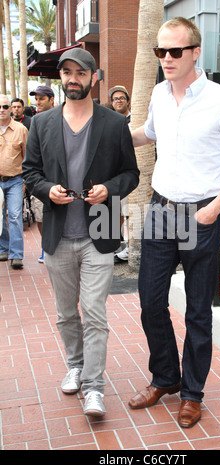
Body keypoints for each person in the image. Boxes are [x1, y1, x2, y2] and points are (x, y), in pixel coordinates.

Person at [128, 17, 220, 428]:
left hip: (202, 215)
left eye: (174, 51)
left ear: (195, 52)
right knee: (150, 303)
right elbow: (147, 134)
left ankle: (192, 393)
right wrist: (102, 130)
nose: (165, 58)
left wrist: (214, 208)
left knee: (198, 312)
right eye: (160, 51)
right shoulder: (158, 95)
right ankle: (165, 377)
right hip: (161, 211)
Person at [22, 48, 139, 417]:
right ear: (62, 78)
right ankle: (74, 365)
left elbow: (131, 174)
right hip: (58, 233)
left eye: (80, 72)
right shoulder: (41, 123)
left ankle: (94, 387)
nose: (73, 78)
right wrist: (46, 190)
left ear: (94, 77)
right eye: (66, 72)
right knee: (65, 313)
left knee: (94, 312)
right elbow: (30, 172)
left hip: (99, 232)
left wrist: (109, 188)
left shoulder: (113, 124)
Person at [0, 95, 28, 269]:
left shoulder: (21, 129)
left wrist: (26, 181)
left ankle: (16, 255)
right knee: (0, 217)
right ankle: (3, 249)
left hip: (15, 180)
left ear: (10, 108)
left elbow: (28, 156)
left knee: (16, 216)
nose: (1, 109)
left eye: (4, 106)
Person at [29, 85, 55, 262]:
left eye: (42, 98)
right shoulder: (35, 121)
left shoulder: (61, 118)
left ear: (51, 99)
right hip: (40, 179)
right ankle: (45, 245)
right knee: (39, 214)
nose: (38, 102)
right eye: (36, 99)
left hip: (58, 179)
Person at [109, 85, 131, 261]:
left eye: (121, 98)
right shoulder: (111, 122)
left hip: (131, 175)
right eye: (115, 99)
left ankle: (131, 247)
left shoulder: (135, 119)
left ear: (128, 100)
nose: (118, 101)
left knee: (129, 211)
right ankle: (118, 243)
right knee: (116, 211)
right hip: (114, 176)